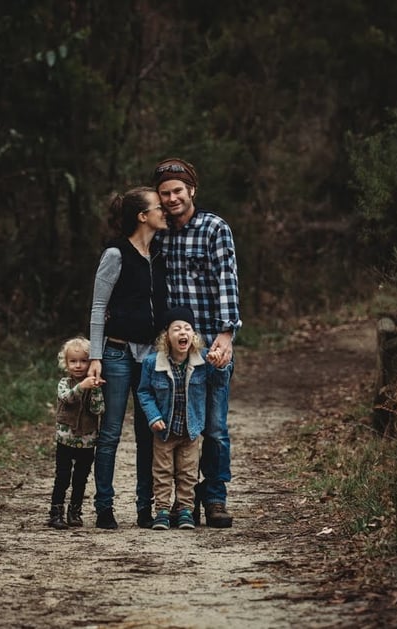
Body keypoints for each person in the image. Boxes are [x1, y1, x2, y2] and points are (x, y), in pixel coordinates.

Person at [151, 157, 242, 528]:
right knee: (176, 427)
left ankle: (215, 497)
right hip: (172, 348)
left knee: (214, 428)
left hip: (210, 345)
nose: (172, 198)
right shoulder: (158, 233)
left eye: (177, 191)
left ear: (191, 191)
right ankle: (173, 503)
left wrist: (226, 334)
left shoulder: (214, 229)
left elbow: (228, 282)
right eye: (165, 193)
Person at [88, 186, 168, 529]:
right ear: (142, 216)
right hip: (117, 353)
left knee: (148, 433)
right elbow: (98, 308)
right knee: (110, 434)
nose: (164, 210)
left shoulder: (160, 254)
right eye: (158, 206)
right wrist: (96, 356)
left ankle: (144, 508)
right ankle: (104, 507)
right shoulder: (116, 254)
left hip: (151, 356)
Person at [137, 306, 231, 530]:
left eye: (187, 328)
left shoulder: (203, 361)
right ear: (166, 336)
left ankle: (185, 511)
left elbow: (219, 384)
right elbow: (144, 392)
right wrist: (153, 416)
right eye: (176, 328)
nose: (183, 333)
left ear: (193, 336)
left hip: (191, 430)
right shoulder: (152, 363)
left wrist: (220, 366)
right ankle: (161, 510)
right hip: (164, 431)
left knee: (188, 473)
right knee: (162, 472)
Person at [48, 336, 105, 530]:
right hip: (66, 439)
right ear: (66, 363)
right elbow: (67, 399)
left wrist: (95, 390)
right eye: (73, 361)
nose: (78, 366)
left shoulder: (94, 385)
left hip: (87, 441)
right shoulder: (65, 383)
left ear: (91, 363)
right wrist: (82, 386)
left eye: (83, 361)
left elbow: (98, 410)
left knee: (80, 478)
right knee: (62, 476)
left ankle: (75, 511)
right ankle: (56, 512)